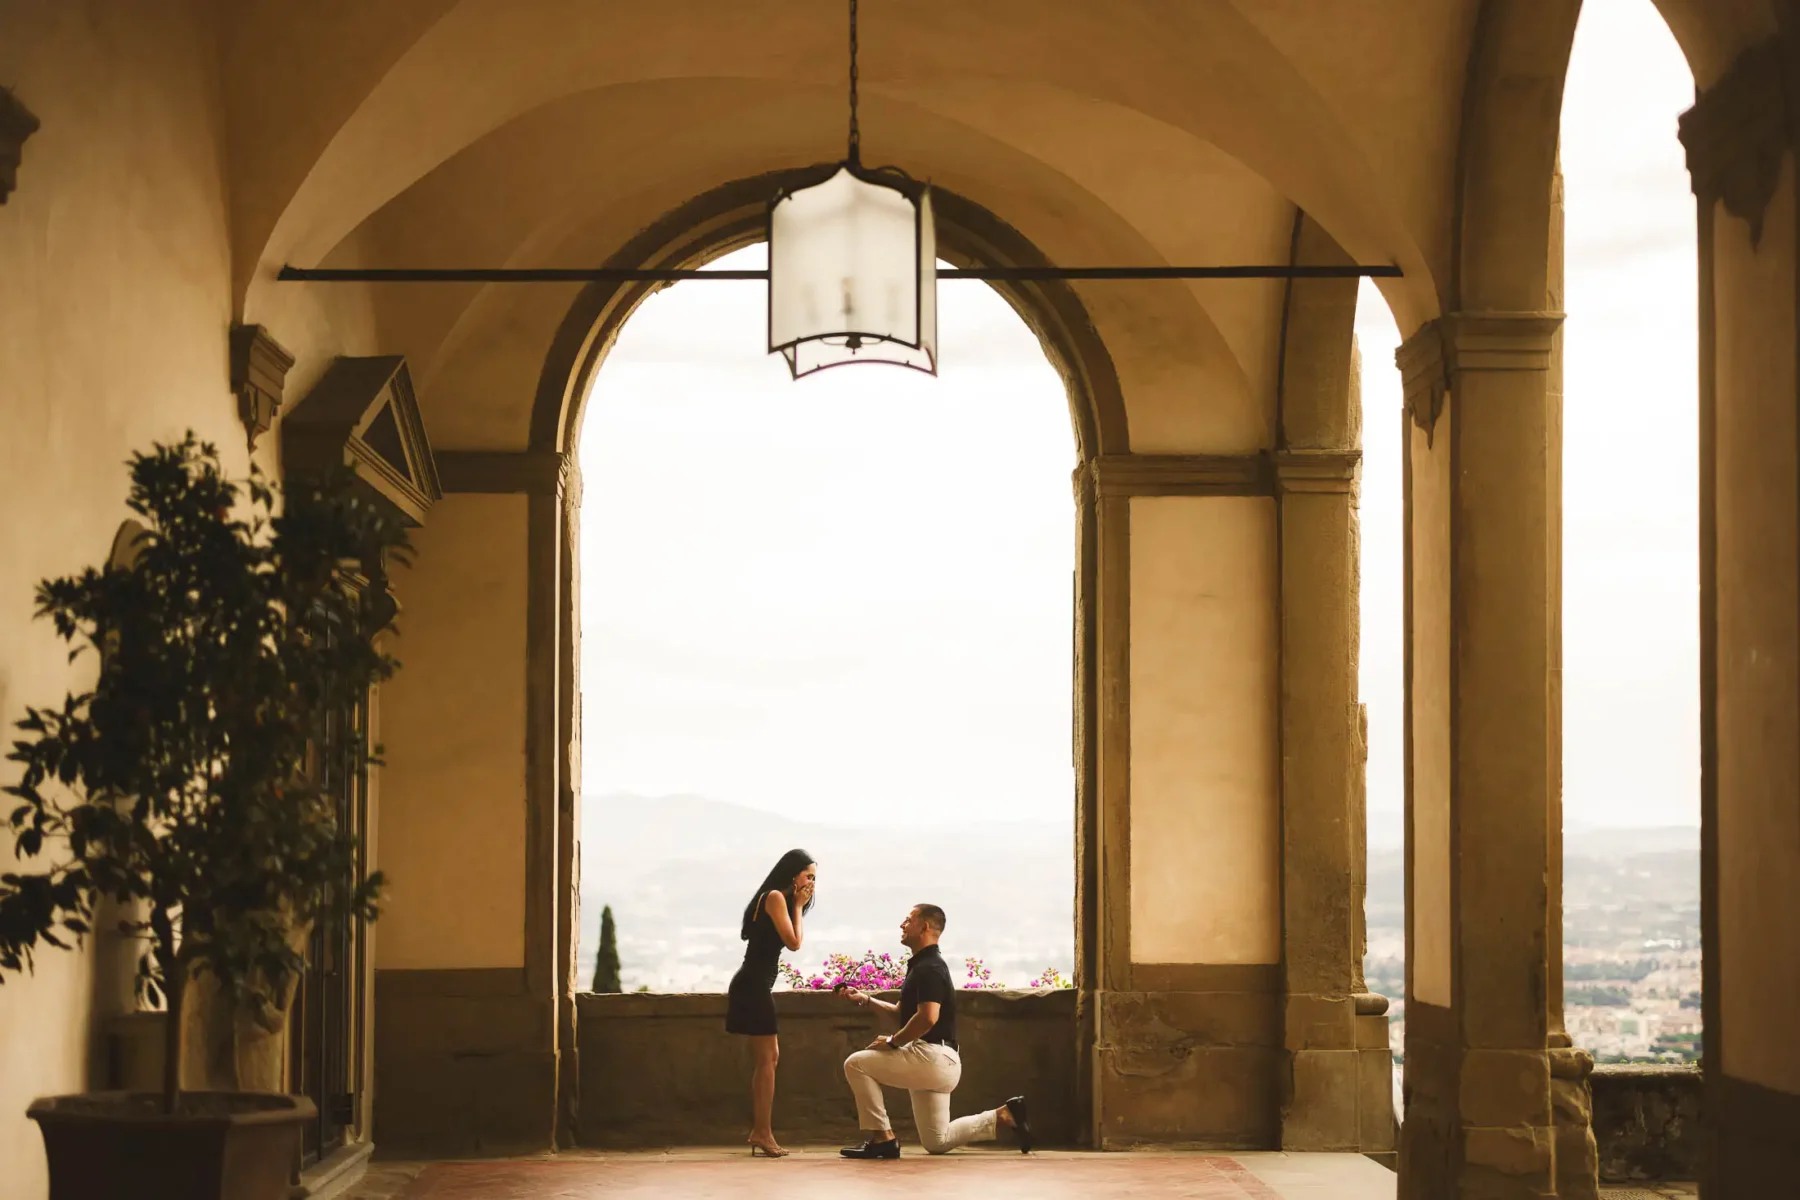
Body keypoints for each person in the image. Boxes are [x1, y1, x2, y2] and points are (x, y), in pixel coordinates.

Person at [837, 903, 1032, 1158]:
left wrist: (894, 1042)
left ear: (925, 927)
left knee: (856, 1064)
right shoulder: (923, 965)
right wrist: (866, 999)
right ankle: (1004, 1115)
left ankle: (882, 1138)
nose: (902, 924)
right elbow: (902, 1014)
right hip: (939, 1061)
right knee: (937, 1141)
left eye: (909, 920)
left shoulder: (930, 968)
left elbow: (927, 1018)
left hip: (932, 1057)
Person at [726, 848, 817, 1158]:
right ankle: (762, 1132)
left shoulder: (777, 899)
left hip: (755, 984)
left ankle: (760, 1130)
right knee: (768, 1059)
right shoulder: (776, 897)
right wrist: (798, 906)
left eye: (814, 878)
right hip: (752, 984)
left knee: (768, 1059)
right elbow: (794, 943)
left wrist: (797, 905)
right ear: (793, 874)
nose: (811, 883)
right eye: (808, 876)